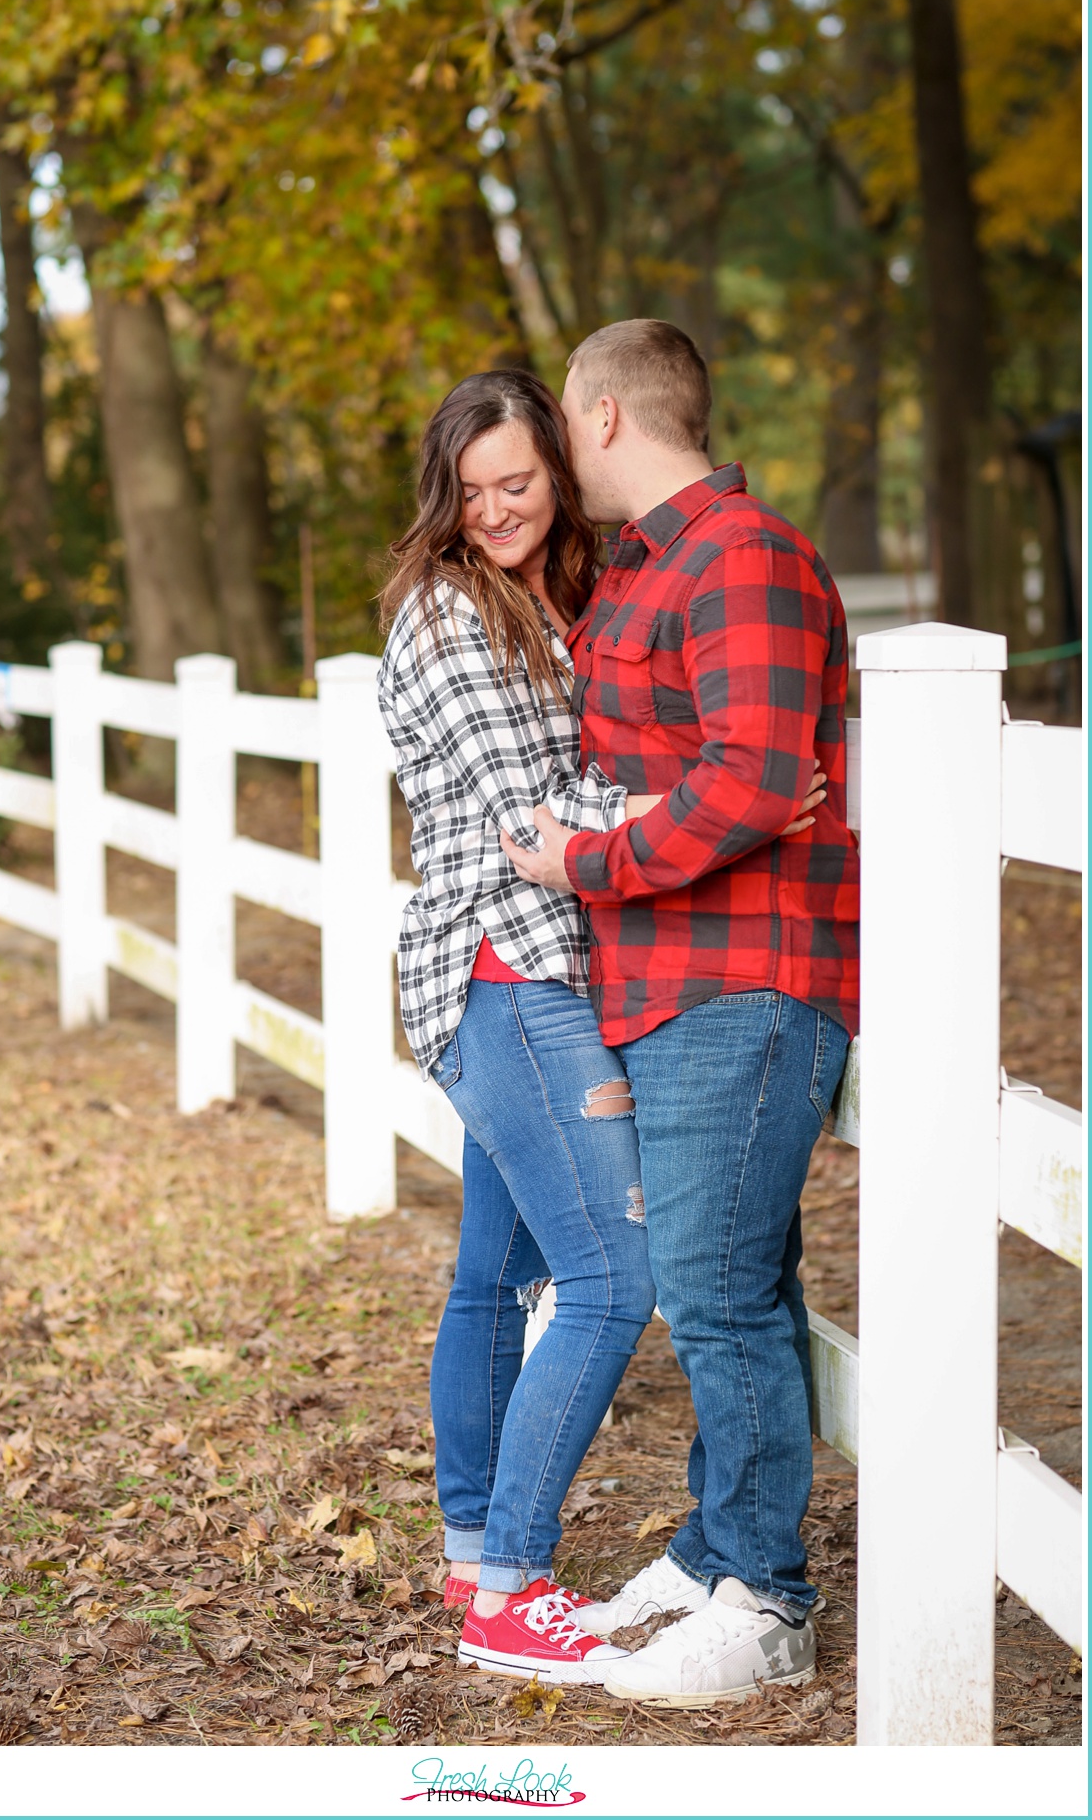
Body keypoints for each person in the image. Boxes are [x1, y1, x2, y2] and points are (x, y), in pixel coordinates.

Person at [376, 368, 824, 1687]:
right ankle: (508, 1586)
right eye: (474, 491)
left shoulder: (553, 594)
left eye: (520, 480)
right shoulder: (453, 612)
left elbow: (586, 774)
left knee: (493, 1275)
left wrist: (657, 795)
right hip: (508, 970)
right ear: (443, 501)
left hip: (552, 969)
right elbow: (535, 820)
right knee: (616, 1277)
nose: (500, 506)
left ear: (559, 472)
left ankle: (475, 1559)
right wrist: (716, 796)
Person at [501, 318, 859, 1708]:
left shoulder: (745, 557)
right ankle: (716, 1547)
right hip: (662, 981)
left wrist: (591, 856)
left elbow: (759, 780)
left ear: (597, 418)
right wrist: (646, 821)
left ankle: (766, 1601)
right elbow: (712, 774)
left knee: (712, 1296)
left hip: (744, 980)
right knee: (738, 1280)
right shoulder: (650, 570)